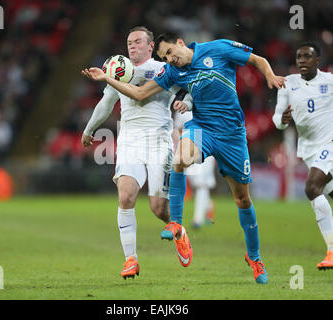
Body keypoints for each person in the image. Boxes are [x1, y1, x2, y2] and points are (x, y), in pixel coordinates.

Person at [82, 33, 286, 284]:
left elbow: (257, 59)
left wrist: (270, 75)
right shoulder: (171, 71)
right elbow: (140, 93)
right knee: (180, 159)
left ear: (179, 43)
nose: (170, 60)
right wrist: (106, 78)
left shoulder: (218, 49)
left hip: (232, 134)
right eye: (165, 57)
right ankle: (176, 226)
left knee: (242, 199)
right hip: (201, 128)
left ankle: (255, 258)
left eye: (170, 53)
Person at [81, 27, 193, 279]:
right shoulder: (119, 70)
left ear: (151, 46)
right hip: (129, 141)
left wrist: (186, 103)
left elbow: (188, 91)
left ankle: (179, 230)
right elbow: (106, 104)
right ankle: (130, 259)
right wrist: (89, 130)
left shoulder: (164, 69)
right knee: (126, 196)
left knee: (158, 208)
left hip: (159, 141)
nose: (132, 46)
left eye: (138, 42)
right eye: (129, 42)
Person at [272, 42, 333, 270]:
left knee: (311, 188)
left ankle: (331, 251)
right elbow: (277, 118)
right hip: (309, 150)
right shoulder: (288, 84)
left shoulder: (330, 81)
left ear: (318, 61)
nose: (302, 61)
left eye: (307, 57)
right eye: (299, 57)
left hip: (330, 143)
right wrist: (282, 121)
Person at [173, 108, 216, 229]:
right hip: (188, 149)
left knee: (200, 184)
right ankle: (209, 206)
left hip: (206, 148)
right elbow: (177, 129)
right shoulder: (183, 108)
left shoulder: (209, 104)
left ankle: (198, 220)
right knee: (194, 182)